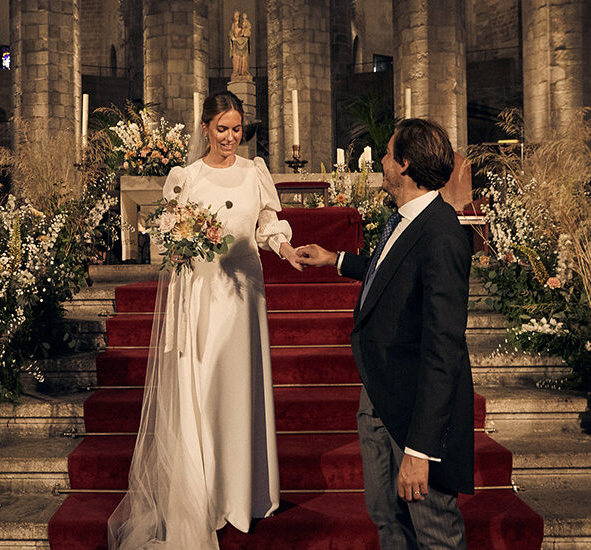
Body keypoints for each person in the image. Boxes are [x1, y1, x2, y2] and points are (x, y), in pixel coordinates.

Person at [107, 91, 302, 549]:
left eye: (236, 130)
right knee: (205, 386)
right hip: (201, 296)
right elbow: (167, 236)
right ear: (205, 129)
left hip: (244, 296)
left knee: (240, 389)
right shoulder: (185, 177)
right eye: (222, 129)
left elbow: (268, 226)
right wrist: (183, 243)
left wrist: (285, 248)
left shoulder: (255, 172)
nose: (230, 138)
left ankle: (244, 493)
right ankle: (204, 496)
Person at [296, 118, 474, 549]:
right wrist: (337, 260)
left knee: (433, 531)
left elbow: (443, 348)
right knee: (387, 518)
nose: (382, 159)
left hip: (415, 408)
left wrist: (421, 449)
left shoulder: (442, 232)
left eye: (390, 153)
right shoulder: (406, 219)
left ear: (406, 164)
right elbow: (390, 275)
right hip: (380, 393)